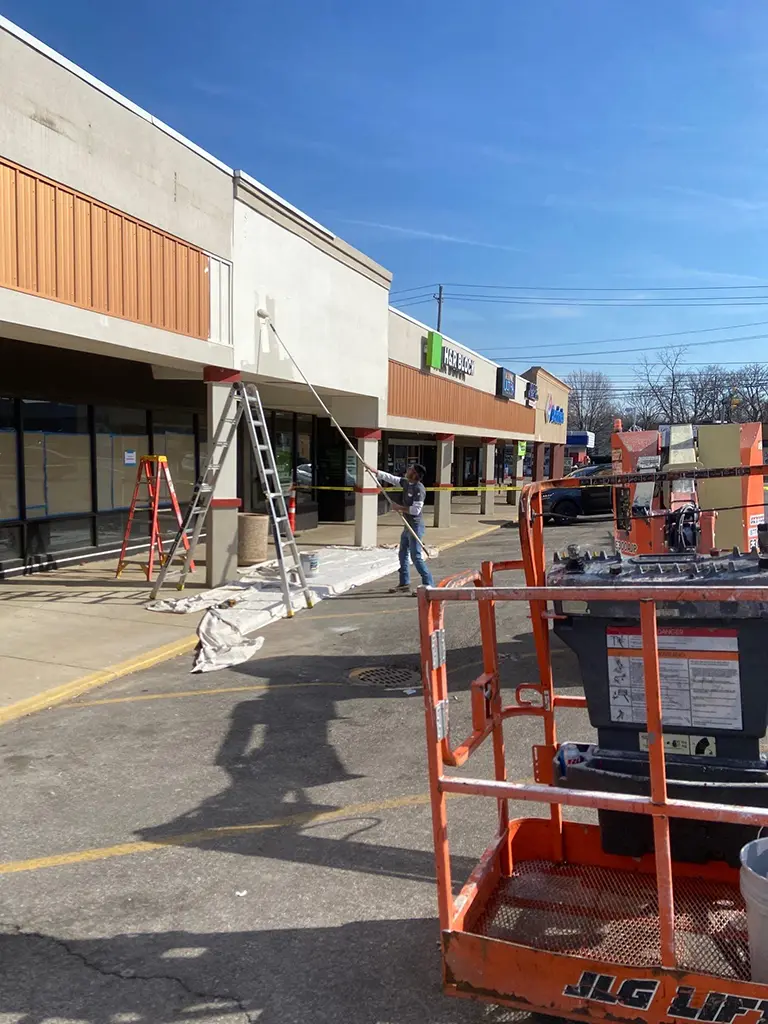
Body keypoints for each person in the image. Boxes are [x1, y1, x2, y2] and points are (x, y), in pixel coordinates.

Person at [372, 463, 434, 593]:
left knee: (415, 556)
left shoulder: (419, 489)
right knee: (402, 553)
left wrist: (399, 507)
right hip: (407, 525)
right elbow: (392, 478)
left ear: (415, 474)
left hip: (415, 526)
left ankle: (429, 585)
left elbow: (416, 510)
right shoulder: (407, 483)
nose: (407, 470)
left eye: (410, 469)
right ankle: (404, 583)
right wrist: (375, 471)